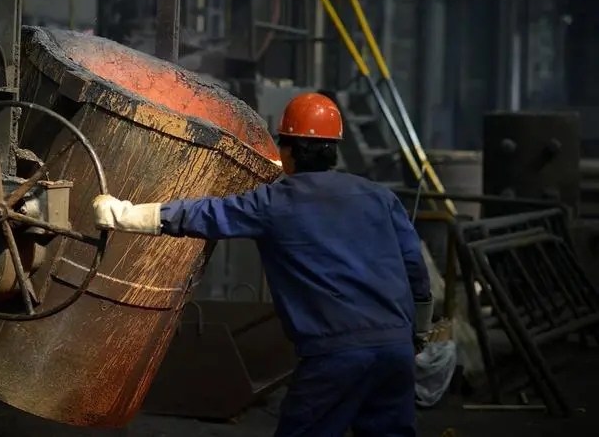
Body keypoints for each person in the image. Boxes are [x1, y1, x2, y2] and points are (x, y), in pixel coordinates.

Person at [92, 92, 432, 437]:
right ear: (333, 149)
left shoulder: (275, 202)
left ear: (288, 151)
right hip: (396, 350)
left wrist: (125, 215)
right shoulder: (381, 197)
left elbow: (205, 215)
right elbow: (415, 269)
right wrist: (419, 331)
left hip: (336, 356)